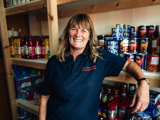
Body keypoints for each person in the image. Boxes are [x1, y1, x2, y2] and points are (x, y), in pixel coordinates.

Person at [39, 14, 150, 120]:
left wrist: (143, 83)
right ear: (67, 32)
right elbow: (44, 98)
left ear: (90, 35)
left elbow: (129, 64)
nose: (78, 34)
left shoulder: (99, 57)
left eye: (83, 30)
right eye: (74, 28)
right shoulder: (54, 61)